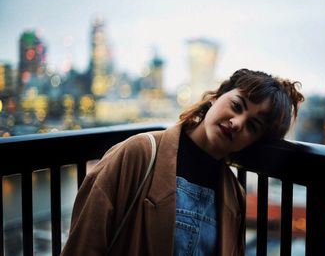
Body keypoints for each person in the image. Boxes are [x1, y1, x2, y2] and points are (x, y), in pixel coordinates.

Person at [60, 68, 304, 256]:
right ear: (216, 97)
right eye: (237, 106)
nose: (237, 122)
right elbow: (84, 247)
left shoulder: (235, 196)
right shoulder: (139, 154)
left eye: (252, 126)